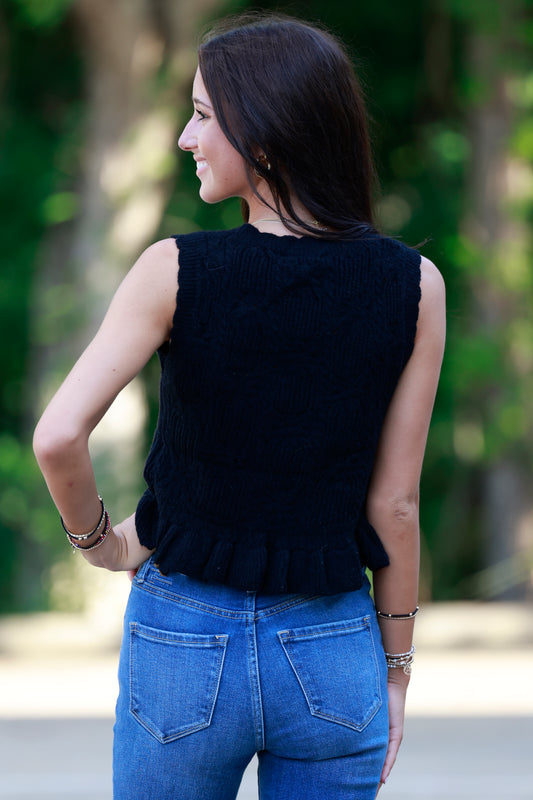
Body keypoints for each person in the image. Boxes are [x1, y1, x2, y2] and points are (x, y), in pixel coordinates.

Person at [33, 12, 446, 800]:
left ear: (263, 136)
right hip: (331, 646)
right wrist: (394, 673)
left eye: (201, 117)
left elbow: (57, 436)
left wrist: (99, 544)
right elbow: (393, 505)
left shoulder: (174, 269)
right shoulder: (413, 286)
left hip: (182, 640)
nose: (186, 140)